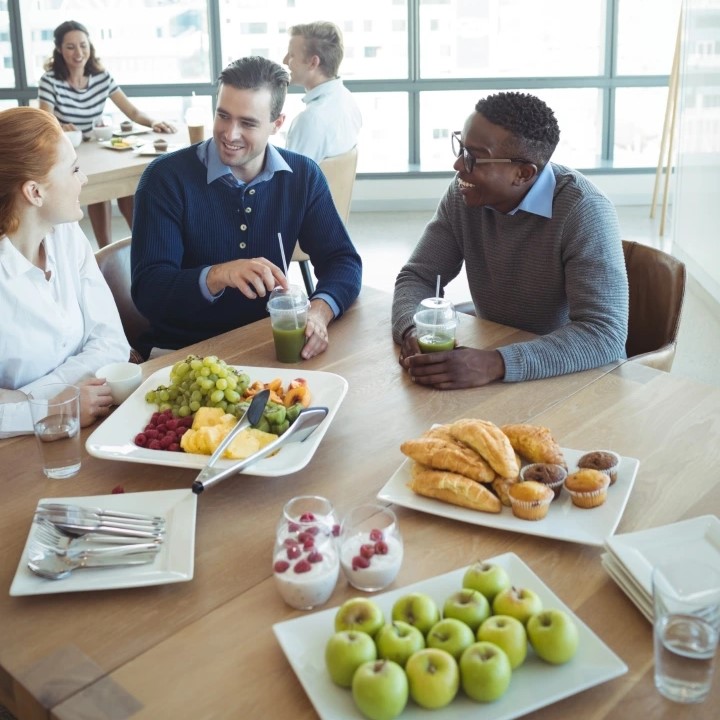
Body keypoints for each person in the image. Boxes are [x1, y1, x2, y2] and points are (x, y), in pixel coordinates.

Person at [392, 91, 628, 390]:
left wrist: (496, 363)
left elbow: (604, 334)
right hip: (503, 359)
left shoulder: (584, 210)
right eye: (461, 147)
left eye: (474, 158)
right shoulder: (463, 193)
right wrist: (413, 329)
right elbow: (417, 275)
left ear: (523, 173)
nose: (458, 166)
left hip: (577, 380)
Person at [131, 56, 362, 359]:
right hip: (182, 352)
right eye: (223, 116)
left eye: (248, 123)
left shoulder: (303, 176)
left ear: (276, 124)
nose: (230, 134)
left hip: (267, 345)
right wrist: (218, 275)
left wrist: (318, 312)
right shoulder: (164, 178)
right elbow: (149, 292)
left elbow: (343, 261)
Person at [0, 107, 131, 438]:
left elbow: (113, 342)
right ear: (35, 192)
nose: (83, 179)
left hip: (91, 420)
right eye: (74, 169)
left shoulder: (66, 234)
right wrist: (51, 410)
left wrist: (23, 401)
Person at [38, 20, 177, 249]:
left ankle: (143, 246)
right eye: (70, 46)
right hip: (69, 152)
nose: (78, 52)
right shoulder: (50, 81)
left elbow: (131, 111)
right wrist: (60, 125)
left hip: (97, 147)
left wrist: (154, 121)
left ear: (90, 46)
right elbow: (45, 119)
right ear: (60, 50)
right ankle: (105, 250)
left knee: (125, 190)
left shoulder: (102, 77)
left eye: (83, 45)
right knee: (99, 194)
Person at [282, 21, 361, 162]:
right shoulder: (347, 100)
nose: (285, 60)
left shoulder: (309, 120)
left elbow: (289, 182)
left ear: (313, 63)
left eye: (292, 55)